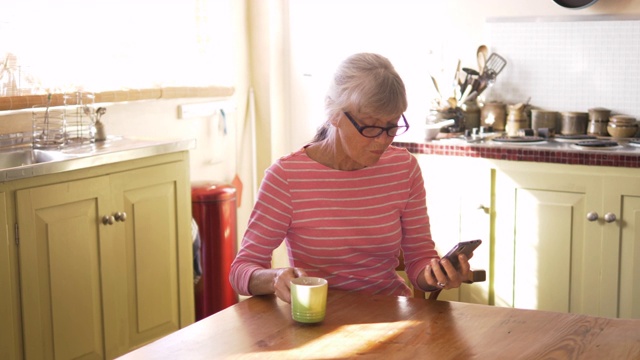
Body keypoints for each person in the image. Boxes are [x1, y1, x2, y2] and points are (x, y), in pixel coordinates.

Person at [229, 52, 474, 303]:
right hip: (319, 318)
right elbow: (241, 271)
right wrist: (274, 278)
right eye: (370, 127)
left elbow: (419, 258)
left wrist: (437, 275)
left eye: (391, 127)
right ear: (334, 113)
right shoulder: (286, 178)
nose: (382, 140)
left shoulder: (404, 168)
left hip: (392, 316)